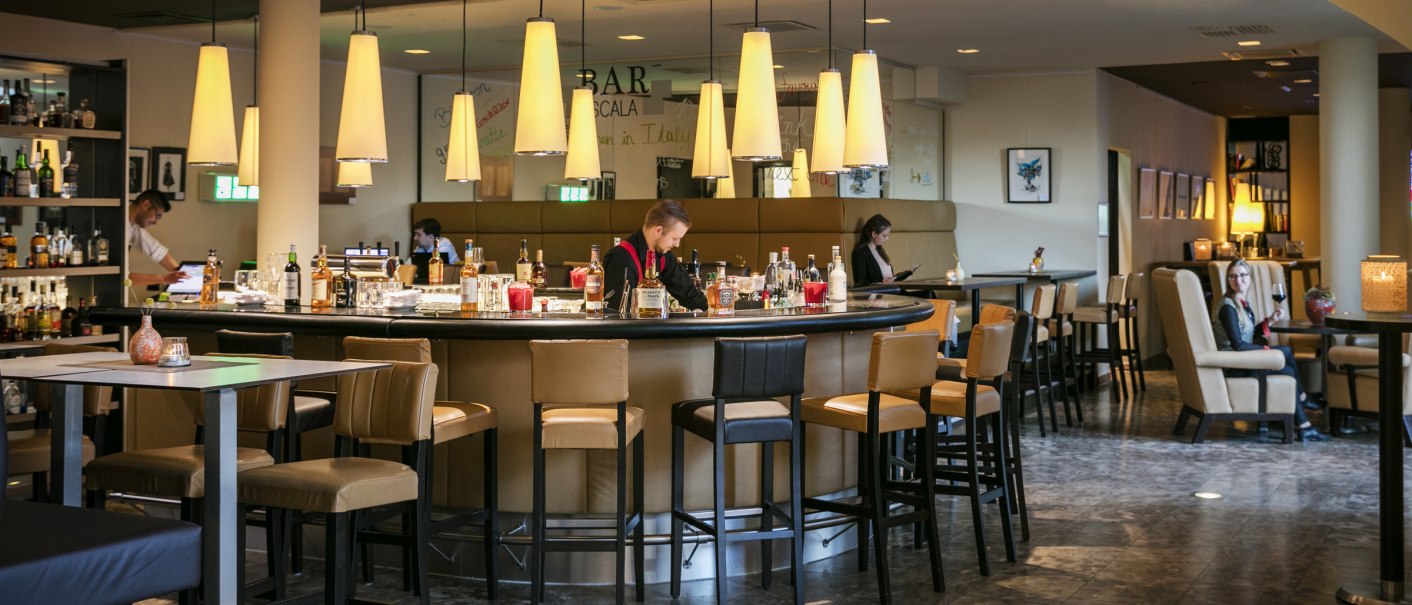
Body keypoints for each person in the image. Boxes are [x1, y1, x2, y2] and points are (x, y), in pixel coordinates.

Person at [1211, 259, 1329, 441]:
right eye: (1232, 276)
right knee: (1286, 352)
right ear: (1228, 280)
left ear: (1249, 278)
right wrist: (1266, 350)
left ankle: (1305, 426)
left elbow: (1247, 335)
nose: (1238, 279)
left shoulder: (1241, 303)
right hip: (1232, 365)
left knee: (1288, 370)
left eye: (1242, 275)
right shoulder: (1228, 307)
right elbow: (1238, 344)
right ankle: (1304, 399)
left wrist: (1270, 320)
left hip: (1243, 360)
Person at [603, 199, 707, 312]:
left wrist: (712, 310)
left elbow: (688, 293)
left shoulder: (664, 256)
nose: (677, 245)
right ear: (658, 230)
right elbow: (618, 316)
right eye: (675, 238)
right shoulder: (621, 259)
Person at [127, 189, 187, 287]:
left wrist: (182, 273)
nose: (156, 222)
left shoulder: (133, 226)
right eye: (157, 216)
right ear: (146, 205)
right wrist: (164, 279)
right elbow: (121, 277)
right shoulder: (118, 224)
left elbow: (157, 251)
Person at [852, 214, 895, 286]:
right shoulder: (860, 253)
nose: (887, 239)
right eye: (884, 236)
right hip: (882, 295)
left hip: (895, 290)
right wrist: (881, 283)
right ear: (874, 234)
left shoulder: (879, 250)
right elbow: (860, 283)